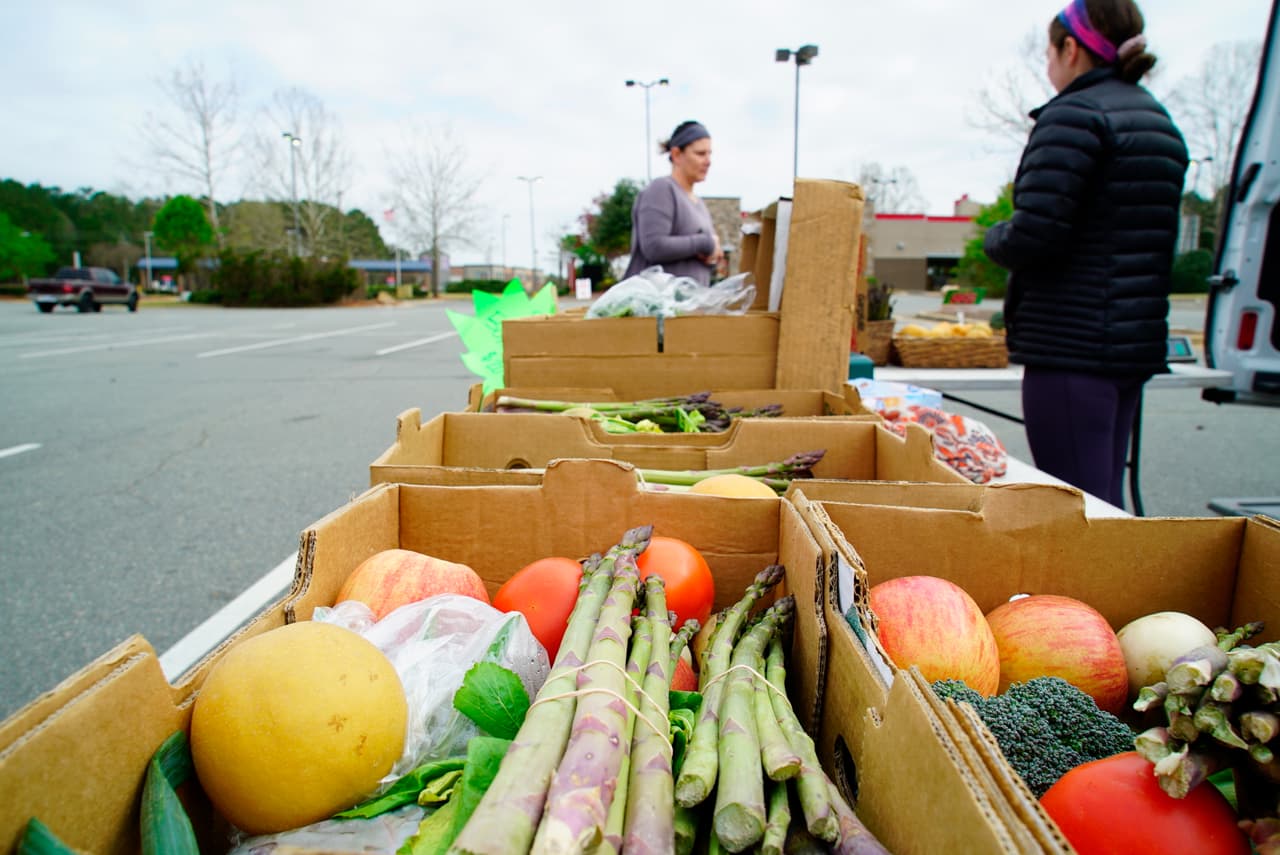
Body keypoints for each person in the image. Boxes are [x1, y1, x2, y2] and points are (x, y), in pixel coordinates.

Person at [984, 0, 1188, 509]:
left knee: (1077, 509)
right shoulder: (1157, 120)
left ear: (1070, 49)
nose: (1048, 64)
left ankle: (1097, 569)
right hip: (1132, 343)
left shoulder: (1073, 115)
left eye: (1048, 52)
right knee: (1104, 498)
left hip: (1071, 344)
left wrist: (995, 238)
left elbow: (1036, 234)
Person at [623, 120, 724, 287]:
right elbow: (654, 247)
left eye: (709, 154)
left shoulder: (700, 204)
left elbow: (704, 255)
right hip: (656, 302)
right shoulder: (662, 189)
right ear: (676, 154)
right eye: (700, 154)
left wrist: (713, 256)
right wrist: (706, 243)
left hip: (691, 301)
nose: (708, 161)